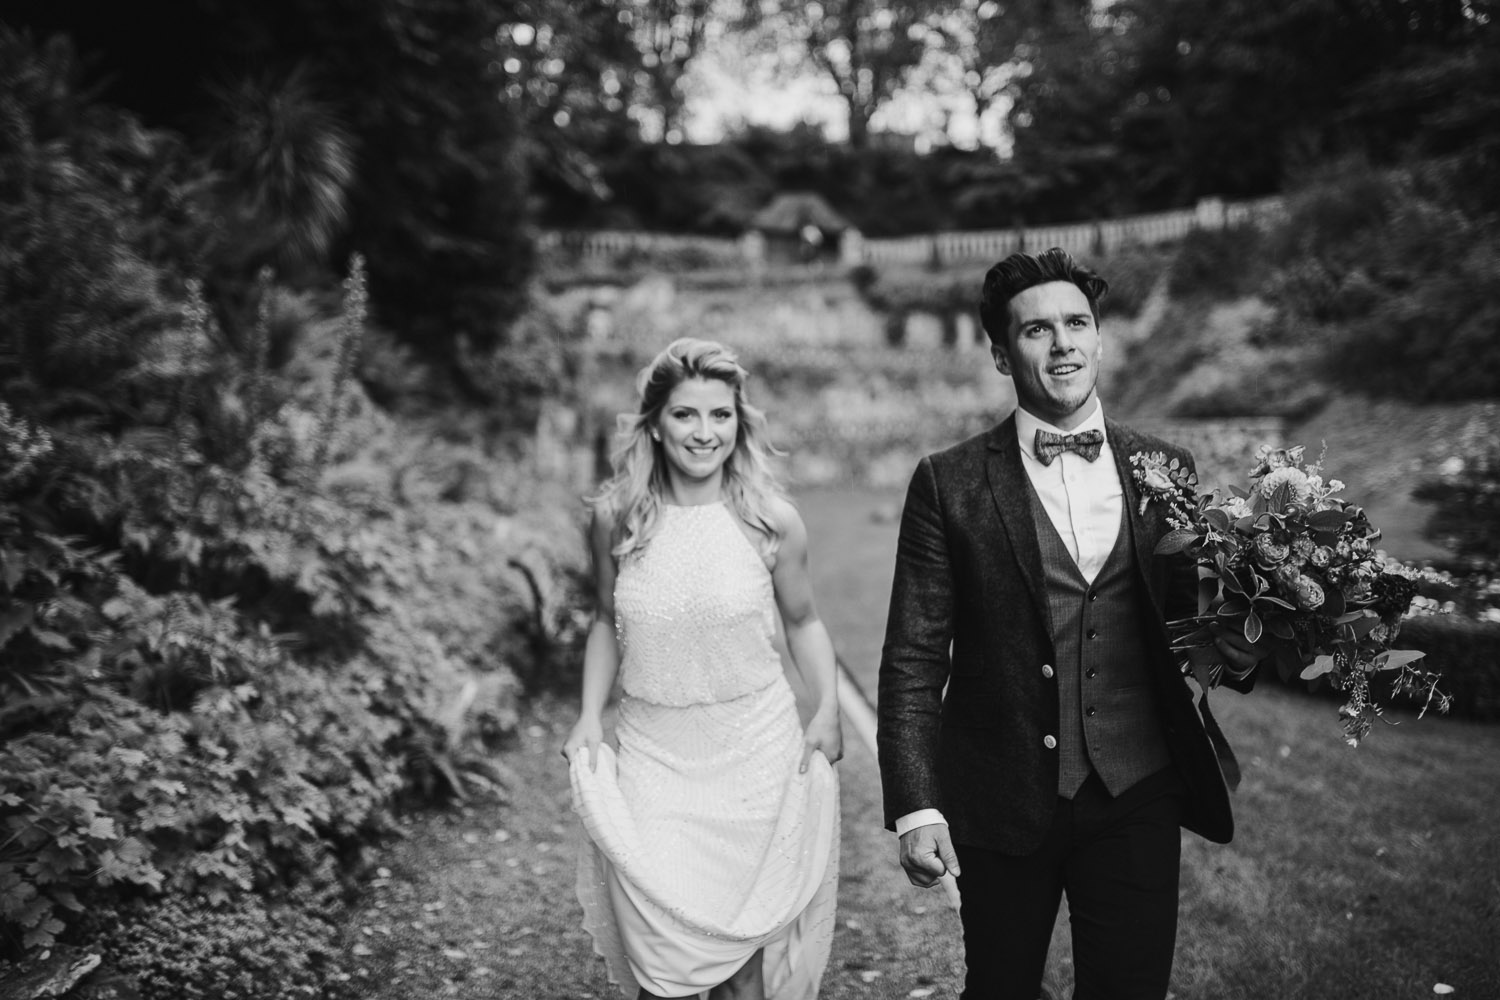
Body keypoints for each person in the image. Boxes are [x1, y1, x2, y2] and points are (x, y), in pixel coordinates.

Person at [876, 248, 1264, 1000]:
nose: (1062, 344)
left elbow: (1188, 636)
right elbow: (914, 656)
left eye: (1077, 324)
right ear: (1001, 354)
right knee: (1000, 989)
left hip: (1138, 789)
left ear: (1100, 338)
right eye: (1037, 330)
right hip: (999, 794)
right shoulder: (948, 482)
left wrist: (1247, 641)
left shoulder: (1168, 469)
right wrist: (917, 806)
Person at [565, 337, 844, 1000]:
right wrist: (588, 716)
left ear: (739, 424)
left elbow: (804, 622)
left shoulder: (772, 522)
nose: (704, 432)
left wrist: (829, 708)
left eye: (720, 415)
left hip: (754, 753)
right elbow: (604, 620)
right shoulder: (616, 520)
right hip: (654, 754)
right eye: (685, 414)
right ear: (655, 424)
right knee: (663, 963)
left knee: (741, 967)